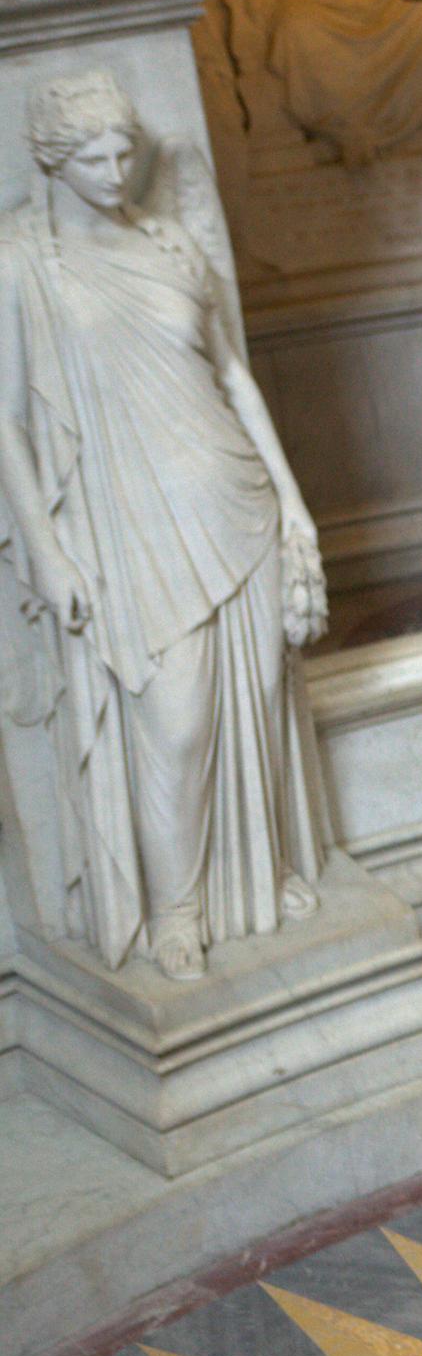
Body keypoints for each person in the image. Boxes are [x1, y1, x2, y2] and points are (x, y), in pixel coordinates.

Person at [0, 71, 328, 981]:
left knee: (255, 699)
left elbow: (234, 381)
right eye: (92, 159)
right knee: (175, 722)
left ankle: (253, 876)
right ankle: (175, 909)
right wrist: (48, 548)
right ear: (53, 164)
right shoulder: (23, 263)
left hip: (234, 499)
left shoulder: (176, 246)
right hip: (130, 521)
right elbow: (6, 423)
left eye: (123, 153)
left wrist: (294, 506)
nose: (114, 172)